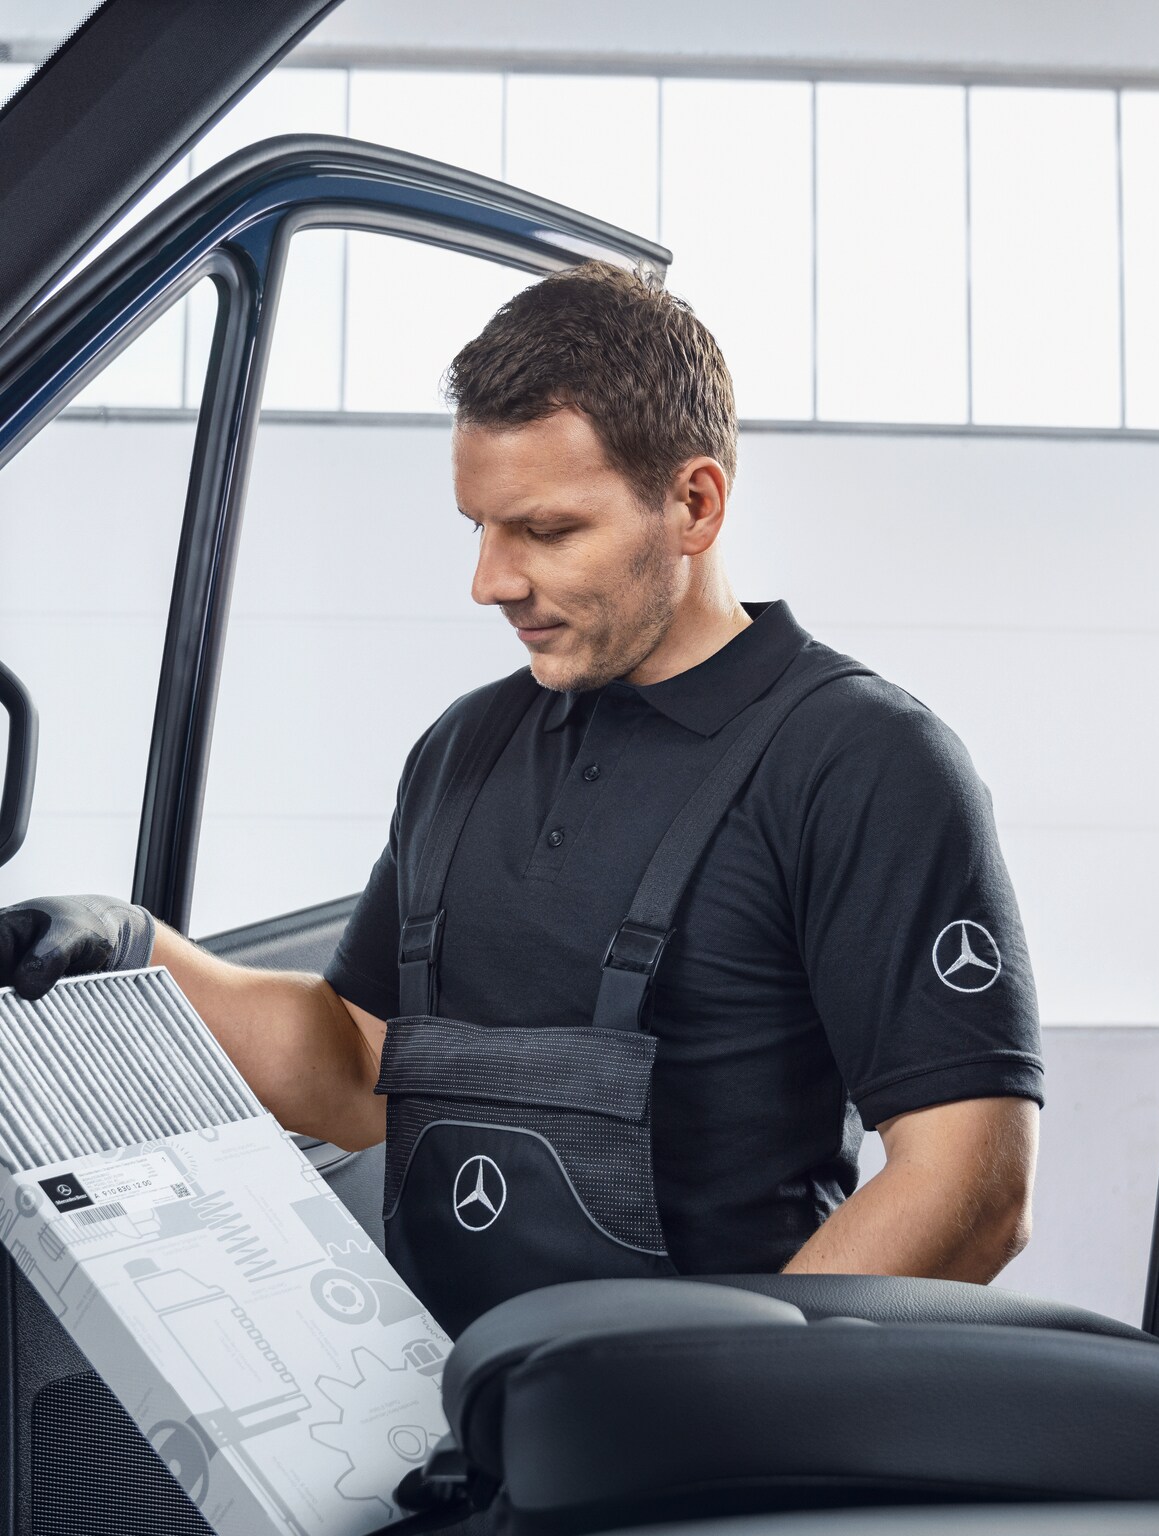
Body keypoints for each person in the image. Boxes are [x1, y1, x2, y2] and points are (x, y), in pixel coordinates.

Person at [0, 262, 1043, 1335]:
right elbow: (360, 1066)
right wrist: (137, 954)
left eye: (546, 532)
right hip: (451, 1415)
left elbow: (972, 1186)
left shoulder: (861, 759)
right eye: (479, 528)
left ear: (694, 504)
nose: (490, 582)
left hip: (718, 1451)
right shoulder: (466, 746)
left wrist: (723, 1403)